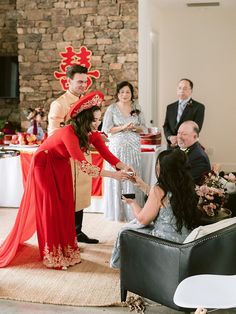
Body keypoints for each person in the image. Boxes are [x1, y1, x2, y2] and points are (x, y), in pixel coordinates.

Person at [0, 91, 134, 269]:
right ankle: (52, 254)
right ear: (84, 119)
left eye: (98, 119)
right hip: (43, 164)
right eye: (94, 120)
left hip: (61, 165)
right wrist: (114, 175)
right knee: (51, 207)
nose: (97, 124)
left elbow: (106, 154)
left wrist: (124, 166)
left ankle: (67, 249)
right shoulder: (69, 133)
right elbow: (85, 166)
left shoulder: (91, 132)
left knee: (65, 206)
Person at [110, 149, 200, 268]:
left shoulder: (158, 189)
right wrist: (141, 183)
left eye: (158, 165)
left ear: (163, 169)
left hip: (165, 243)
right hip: (186, 241)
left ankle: (123, 267)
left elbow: (142, 219)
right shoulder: (187, 186)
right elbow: (163, 200)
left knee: (125, 231)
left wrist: (132, 203)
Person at [48, 64, 98, 244]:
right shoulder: (58, 104)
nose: (83, 85)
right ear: (68, 81)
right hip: (66, 159)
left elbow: (90, 126)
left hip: (82, 155)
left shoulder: (87, 103)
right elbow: (53, 134)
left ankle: (78, 232)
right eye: (79, 82)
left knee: (81, 195)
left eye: (85, 82)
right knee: (68, 196)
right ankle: (66, 235)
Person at [101, 81, 147, 222]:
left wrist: (134, 127)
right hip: (117, 148)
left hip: (134, 147)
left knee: (133, 176)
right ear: (118, 94)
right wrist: (122, 127)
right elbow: (107, 129)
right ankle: (118, 212)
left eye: (127, 92)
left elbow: (144, 128)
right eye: (122, 92)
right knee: (119, 176)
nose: (124, 95)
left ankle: (134, 212)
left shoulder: (137, 108)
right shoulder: (112, 109)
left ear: (132, 94)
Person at [163, 78, 205, 149]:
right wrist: (170, 137)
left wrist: (179, 138)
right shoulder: (170, 107)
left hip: (188, 146)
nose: (182, 90)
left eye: (185, 88)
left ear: (191, 90)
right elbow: (166, 126)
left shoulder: (198, 107)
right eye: (180, 88)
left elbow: (197, 128)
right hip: (171, 146)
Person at [177, 120, 211, 185]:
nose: (179, 136)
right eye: (178, 133)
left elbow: (186, 182)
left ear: (195, 136)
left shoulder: (199, 158)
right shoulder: (181, 148)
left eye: (184, 134)